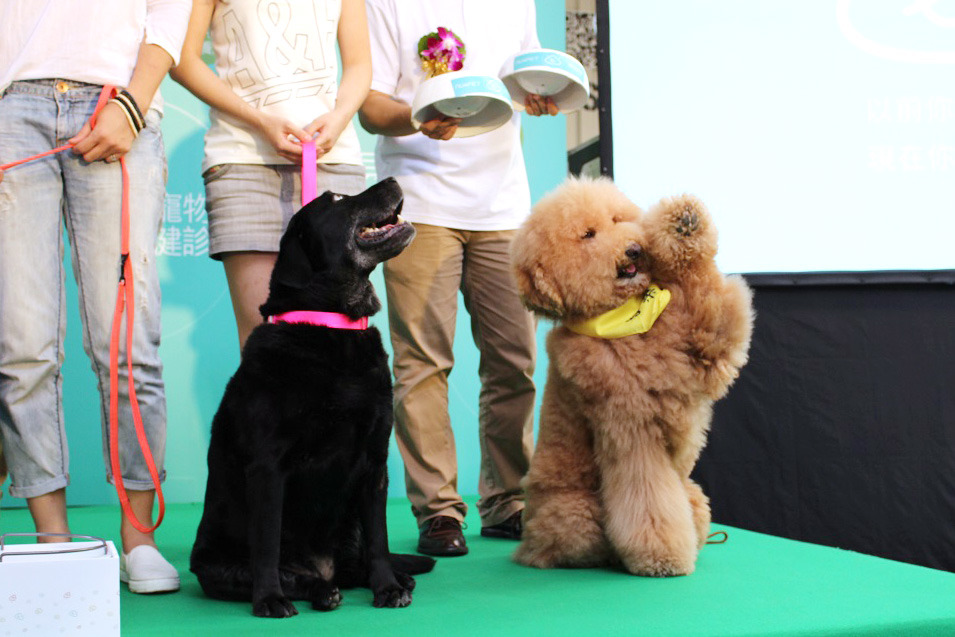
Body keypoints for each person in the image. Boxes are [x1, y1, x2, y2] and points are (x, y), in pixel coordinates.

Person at [0, 0, 190, 593]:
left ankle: (140, 539)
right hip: (13, 107)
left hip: (116, 100)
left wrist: (134, 103)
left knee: (128, 345)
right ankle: (51, 543)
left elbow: (170, 12)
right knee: (23, 348)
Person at [359, 0, 558, 557]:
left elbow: (522, 76)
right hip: (419, 200)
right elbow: (370, 105)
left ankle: (508, 500)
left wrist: (540, 94)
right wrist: (418, 118)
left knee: (515, 361)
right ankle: (438, 511)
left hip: (503, 205)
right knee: (422, 363)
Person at [170, 0, 372, 350]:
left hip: (332, 161)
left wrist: (339, 117)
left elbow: (359, 64)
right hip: (244, 158)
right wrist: (260, 120)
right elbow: (184, 61)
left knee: (341, 340)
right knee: (263, 341)